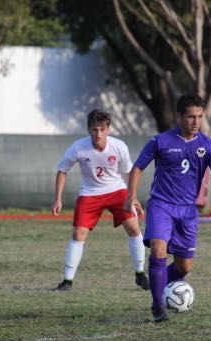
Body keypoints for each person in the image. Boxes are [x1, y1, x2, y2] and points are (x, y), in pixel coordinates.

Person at [125, 94, 211, 322]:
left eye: (199, 117)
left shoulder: (208, 146)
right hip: (161, 205)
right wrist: (132, 197)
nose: (196, 122)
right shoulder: (160, 141)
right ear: (179, 117)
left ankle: (159, 285)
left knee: (184, 266)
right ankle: (158, 306)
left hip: (188, 211)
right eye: (191, 117)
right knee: (158, 250)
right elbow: (137, 168)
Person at [52, 109, 149, 291]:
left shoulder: (119, 146)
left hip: (116, 190)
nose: (99, 134)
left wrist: (132, 197)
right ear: (89, 130)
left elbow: (130, 172)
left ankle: (140, 274)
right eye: (95, 129)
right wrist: (58, 199)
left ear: (108, 129)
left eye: (102, 129)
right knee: (78, 233)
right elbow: (62, 170)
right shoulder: (78, 147)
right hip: (89, 193)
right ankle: (67, 281)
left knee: (134, 227)